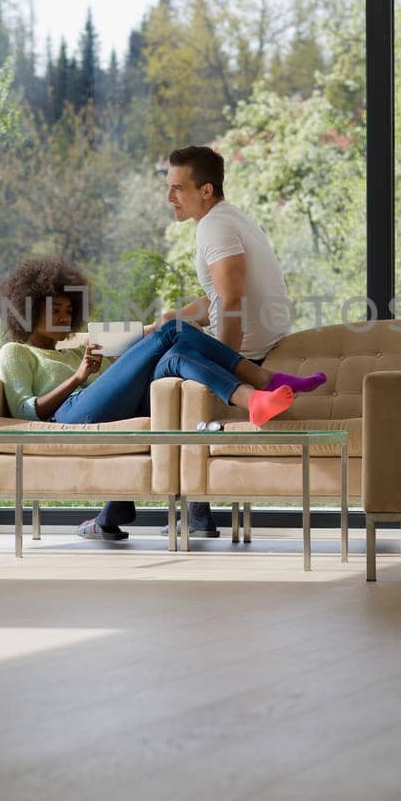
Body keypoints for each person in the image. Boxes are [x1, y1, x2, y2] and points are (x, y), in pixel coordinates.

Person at [0, 257, 321, 541]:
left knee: (176, 356)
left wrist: (119, 365)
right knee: (174, 328)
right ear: (29, 309)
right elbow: (28, 412)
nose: (63, 318)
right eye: (55, 310)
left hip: (103, 409)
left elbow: (130, 359)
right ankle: (263, 380)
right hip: (68, 415)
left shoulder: (79, 348)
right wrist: (79, 378)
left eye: (68, 310)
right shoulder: (16, 353)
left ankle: (252, 401)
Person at [153, 145, 312, 537]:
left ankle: (188, 515)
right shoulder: (223, 219)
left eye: (178, 188)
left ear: (206, 190)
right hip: (255, 343)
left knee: (158, 379)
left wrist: (226, 363)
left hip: (251, 351)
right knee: (165, 346)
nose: (169, 197)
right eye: (168, 187)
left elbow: (233, 299)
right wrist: (175, 317)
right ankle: (188, 514)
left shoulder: (215, 227)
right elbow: (217, 300)